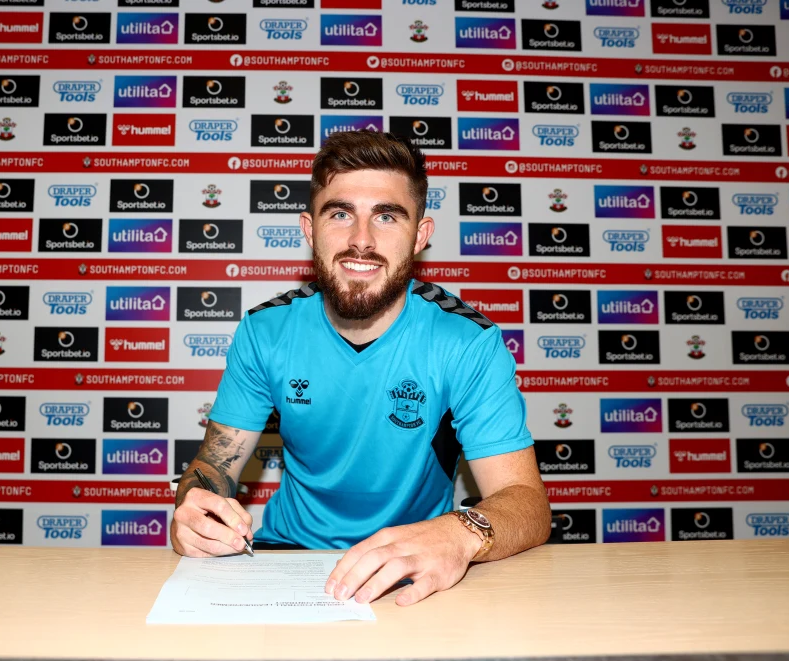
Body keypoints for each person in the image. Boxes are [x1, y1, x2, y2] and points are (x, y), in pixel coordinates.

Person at [171, 130, 550, 607]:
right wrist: (194, 509)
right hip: (286, 557)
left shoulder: (467, 342)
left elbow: (526, 501)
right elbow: (214, 465)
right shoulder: (265, 331)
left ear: (420, 235)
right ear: (309, 229)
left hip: (414, 565)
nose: (361, 240)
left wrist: (458, 534)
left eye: (387, 216)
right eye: (340, 214)